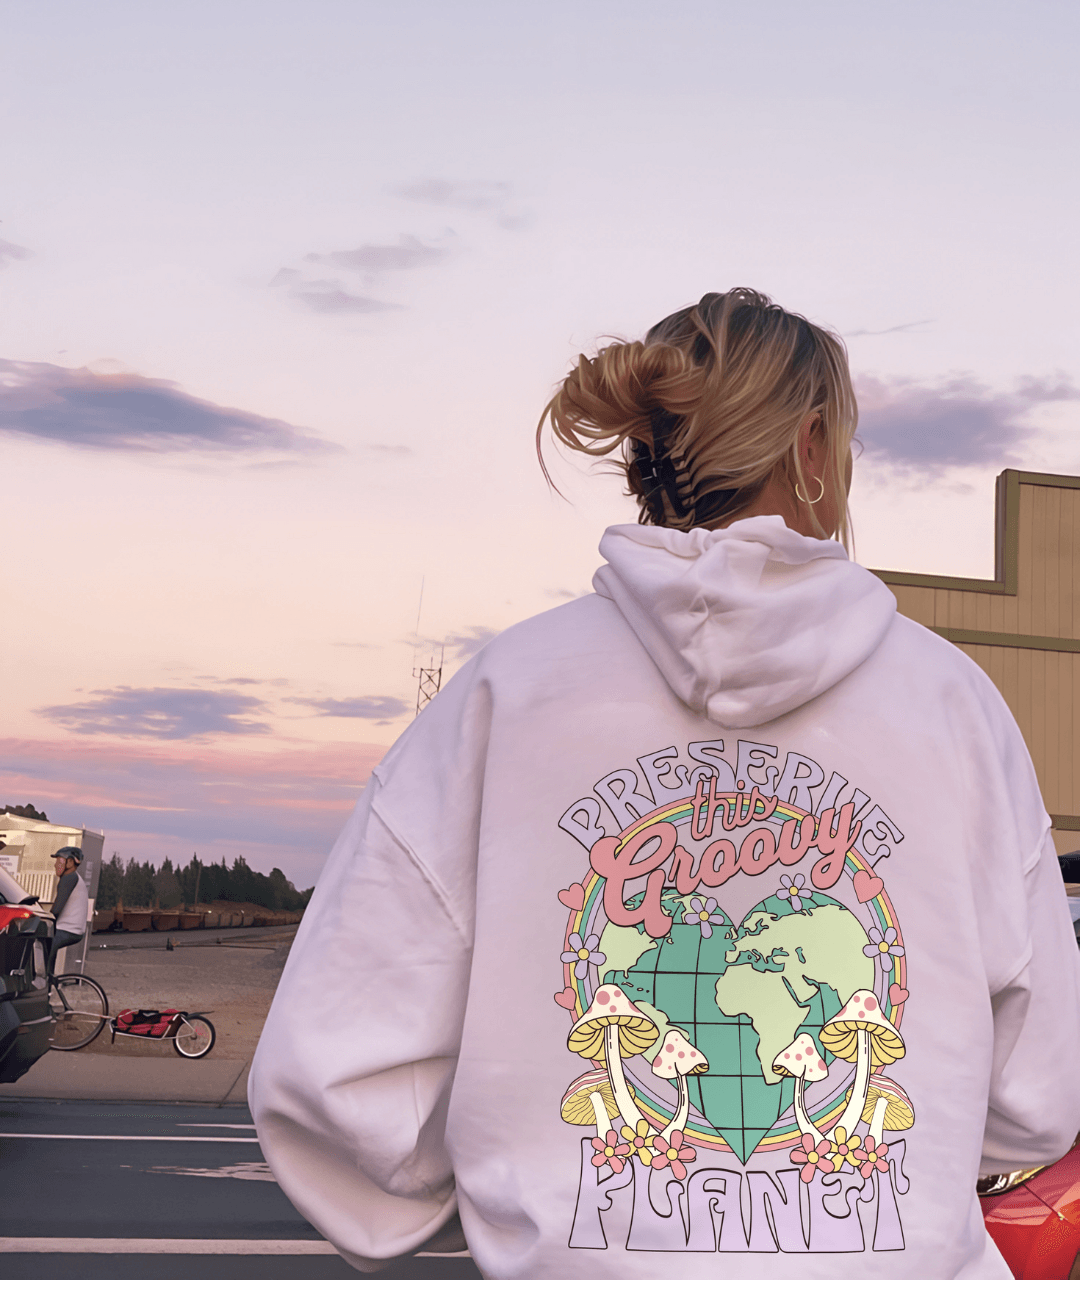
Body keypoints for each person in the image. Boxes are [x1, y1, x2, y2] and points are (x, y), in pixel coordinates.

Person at [250, 288, 1080, 1278]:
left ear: (643, 454)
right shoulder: (953, 705)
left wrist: (529, 1195)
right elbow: (1035, 1098)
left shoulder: (505, 693)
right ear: (812, 446)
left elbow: (338, 1085)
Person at [48, 846, 88, 975]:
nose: (55, 865)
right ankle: (49, 979)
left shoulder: (69, 878)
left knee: (44, 944)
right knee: (47, 946)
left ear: (70, 862)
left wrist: (45, 919)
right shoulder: (74, 878)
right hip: (72, 929)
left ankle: (45, 980)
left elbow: (57, 909)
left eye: (59, 861)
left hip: (68, 930)